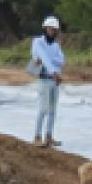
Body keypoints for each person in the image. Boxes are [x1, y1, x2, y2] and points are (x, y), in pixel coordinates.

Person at [25, 15, 66, 147]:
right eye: (50, 29)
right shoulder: (37, 42)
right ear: (45, 29)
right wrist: (53, 71)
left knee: (53, 110)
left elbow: (61, 60)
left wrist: (49, 62)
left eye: (54, 30)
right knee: (43, 109)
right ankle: (37, 136)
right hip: (45, 79)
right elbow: (43, 58)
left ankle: (48, 136)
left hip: (54, 80)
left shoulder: (55, 45)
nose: (52, 32)